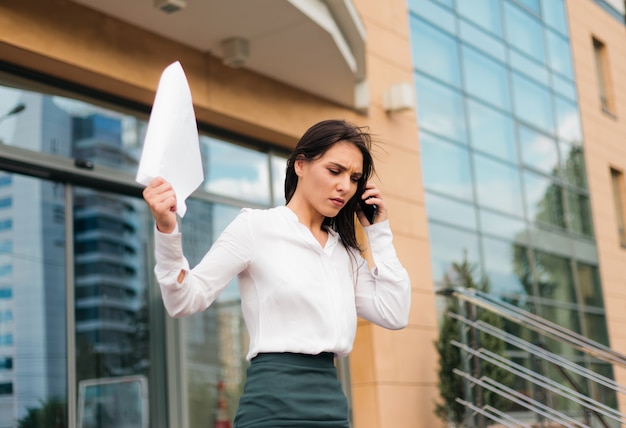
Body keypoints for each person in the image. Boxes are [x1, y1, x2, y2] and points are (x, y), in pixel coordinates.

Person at [143, 119, 411, 427]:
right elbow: (184, 300)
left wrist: (379, 232)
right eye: (334, 171)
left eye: (354, 178)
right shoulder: (255, 228)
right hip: (272, 407)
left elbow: (395, 312)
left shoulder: (345, 255)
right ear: (300, 165)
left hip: (332, 411)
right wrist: (167, 231)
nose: (345, 186)